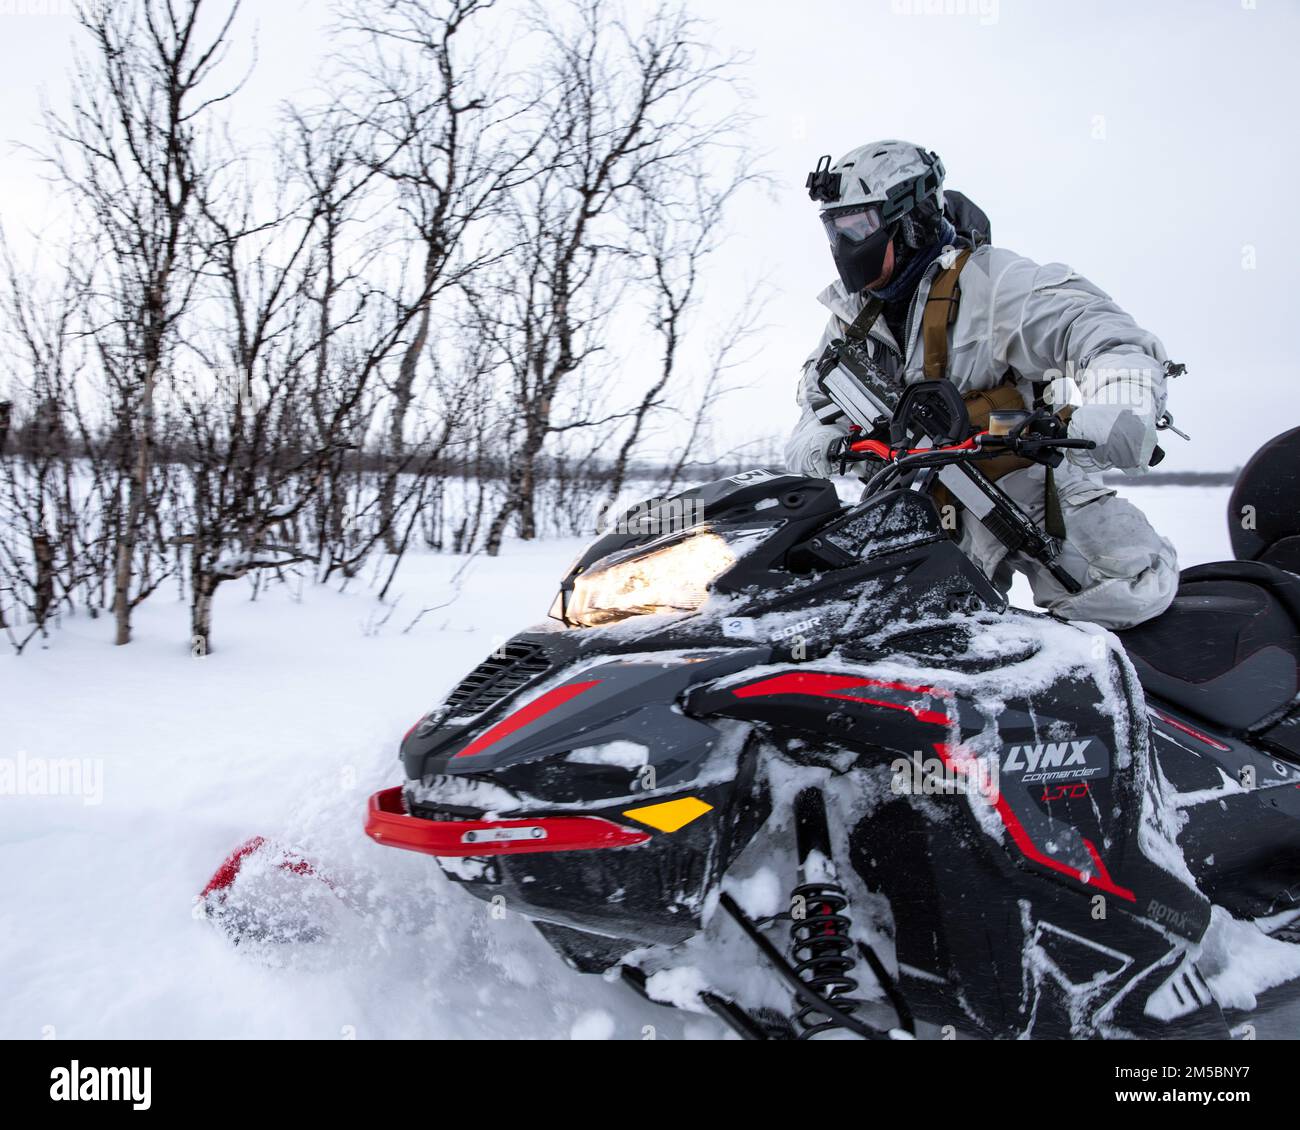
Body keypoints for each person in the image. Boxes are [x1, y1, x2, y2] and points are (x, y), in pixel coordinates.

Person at [786, 139, 1179, 629]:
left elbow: (1101, 332)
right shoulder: (849, 322)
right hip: (914, 504)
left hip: (1024, 480)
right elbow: (813, 411)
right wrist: (826, 443)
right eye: (836, 229)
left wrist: (1119, 408)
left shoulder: (992, 283)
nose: (845, 246)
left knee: (1126, 590)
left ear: (910, 221)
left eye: (859, 226)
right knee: (889, 628)